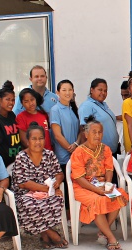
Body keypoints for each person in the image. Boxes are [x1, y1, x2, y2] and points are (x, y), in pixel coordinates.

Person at [69, 116, 129, 250]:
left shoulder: (106, 149)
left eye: (100, 132)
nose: (97, 135)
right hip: (84, 187)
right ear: (86, 134)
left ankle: (103, 231)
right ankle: (111, 237)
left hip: (102, 185)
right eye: (94, 132)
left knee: (120, 195)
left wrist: (107, 185)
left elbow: (109, 169)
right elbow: (79, 179)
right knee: (97, 200)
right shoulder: (78, 152)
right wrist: (97, 190)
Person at [12, 122, 66, 249]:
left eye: (41, 138)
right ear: (28, 140)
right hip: (25, 194)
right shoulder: (21, 157)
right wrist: (47, 189)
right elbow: (23, 183)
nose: (38, 142)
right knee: (29, 204)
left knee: (57, 199)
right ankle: (51, 234)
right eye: (34, 139)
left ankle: (44, 235)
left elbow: (59, 173)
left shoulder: (49, 155)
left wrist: (57, 183)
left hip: (47, 191)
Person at [50, 79, 81, 212]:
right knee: (66, 188)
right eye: (64, 90)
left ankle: (76, 215)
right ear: (57, 92)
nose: (67, 93)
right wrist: (69, 148)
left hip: (75, 154)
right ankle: (68, 217)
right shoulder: (55, 110)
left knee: (76, 186)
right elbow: (57, 135)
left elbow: (80, 130)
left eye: (70, 89)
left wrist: (76, 144)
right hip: (63, 156)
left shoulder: (73, 108)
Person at [78, 78, 120, 156]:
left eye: (105, 90)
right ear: (92, 90)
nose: (103, 93)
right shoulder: (87, 106)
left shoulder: (103, 105)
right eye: (100, 90)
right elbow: (84, 130)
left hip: (110, 152)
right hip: (97, 154)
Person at [0, 81, 21, 167]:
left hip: (16, 162)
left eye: (13, 100)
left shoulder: (12, 115)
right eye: (8, 99)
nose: (11, 103)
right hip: (3, 164)